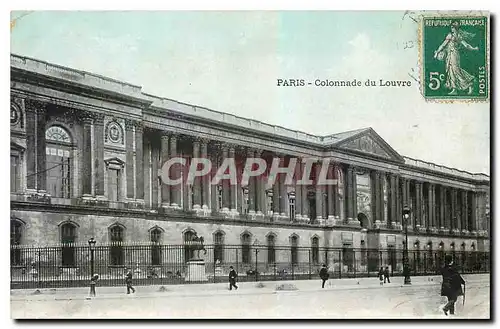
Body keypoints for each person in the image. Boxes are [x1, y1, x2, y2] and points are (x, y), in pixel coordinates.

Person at [434, 21, 479, 95]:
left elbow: (466, 45)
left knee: (456, 71)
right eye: (451, 27)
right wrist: (437, 52)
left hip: (454, 54)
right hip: (450, 54)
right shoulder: (452, 35)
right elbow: (443, 45)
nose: (452, 29)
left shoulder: (457, 36)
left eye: (453, 27)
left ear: (456, 28)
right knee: (451, 71)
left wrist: (474, 49)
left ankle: (469, 84)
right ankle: (454, 89)